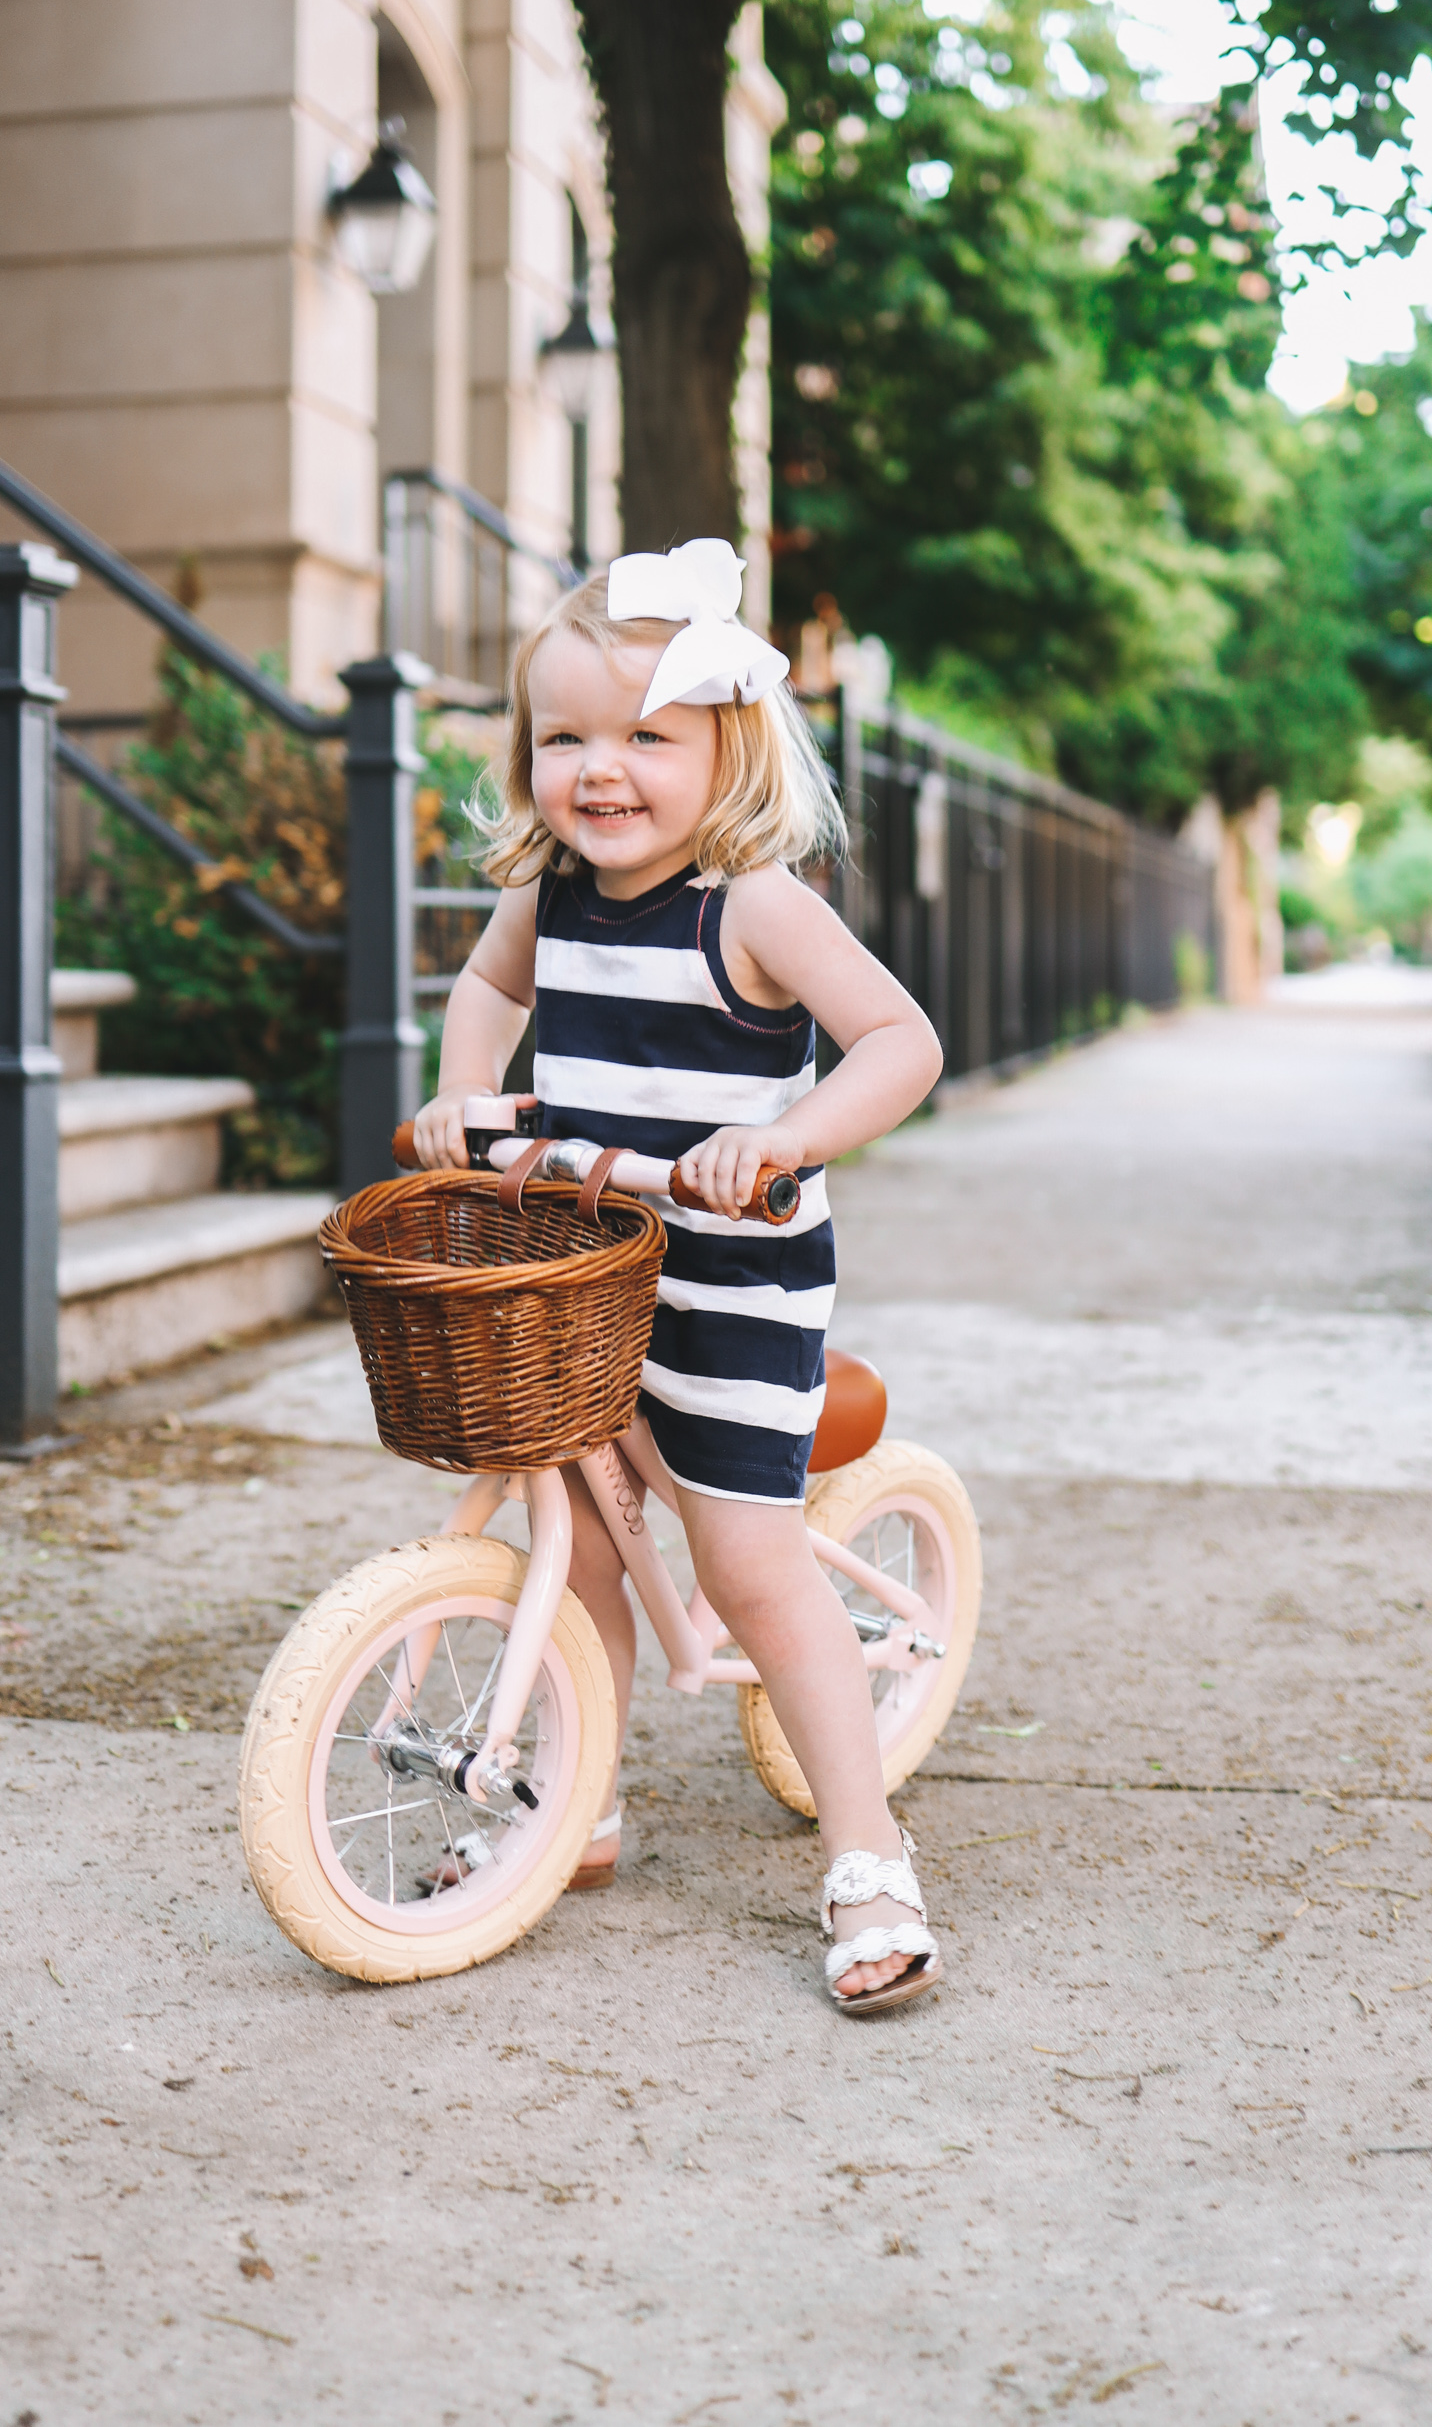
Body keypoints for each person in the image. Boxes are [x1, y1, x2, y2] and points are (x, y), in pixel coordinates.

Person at [412, 537, 946, 2012]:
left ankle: (867, 1854)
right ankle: (574, 1801)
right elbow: (488, 991)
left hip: (731, 1281)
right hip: (590, 1261)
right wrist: (468, 1101)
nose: (599, 769)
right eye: (564, 736)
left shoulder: (751, 904)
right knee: (576, 1550)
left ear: (727, 749)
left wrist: (777, 1136)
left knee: (749, 1568)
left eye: (647, 736)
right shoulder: (553, 896)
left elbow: (903, 1045)